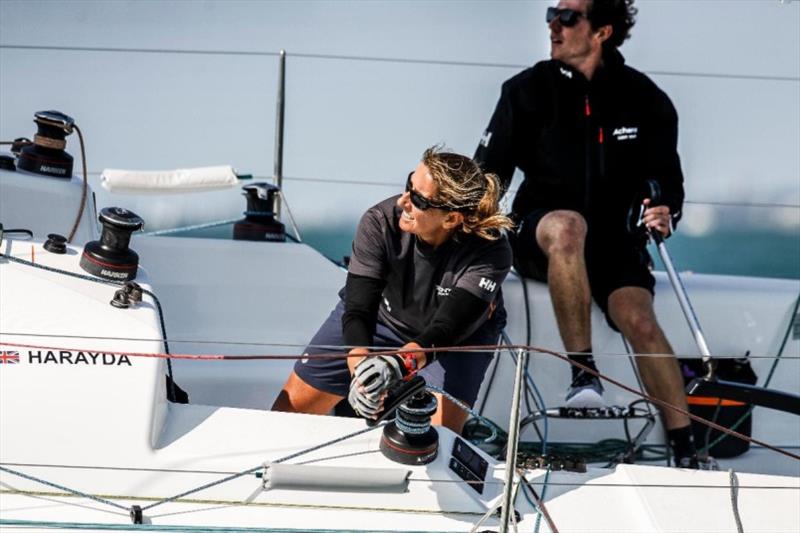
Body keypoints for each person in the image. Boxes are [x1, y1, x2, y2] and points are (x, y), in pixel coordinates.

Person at [474, 0, 699, 466]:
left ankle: (687, 448)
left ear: (602, 32)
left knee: (638, 317)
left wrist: (663, 209)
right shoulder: (525, 91)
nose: (553, 25)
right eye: (551, 15)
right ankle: (583, 375)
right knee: (567, 226)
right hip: (543, 233)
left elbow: (667, 181)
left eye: (568, 17)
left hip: (616, 243)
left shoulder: (645, 98)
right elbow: (486, 179)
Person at [272, 147, 514, 433]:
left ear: (451, 219)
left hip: (455, 341)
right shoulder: (379, 221)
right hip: (380, 319)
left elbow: (446, 328)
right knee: (282, 419)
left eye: (419, 199)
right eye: (409, 185)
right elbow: (359, 309)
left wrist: (399, 364)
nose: (403, 202)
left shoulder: (491, 251)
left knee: (436, 441)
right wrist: (362, 375)